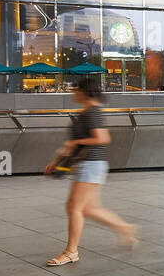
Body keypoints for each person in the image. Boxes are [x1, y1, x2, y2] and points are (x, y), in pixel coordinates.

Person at [43, 79, 137, 265]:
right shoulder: (87, 111)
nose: (73, 93)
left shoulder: (92, 112)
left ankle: (71, 251)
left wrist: (76, 143)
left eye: (76, 89)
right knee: (89, 208)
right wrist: (57, 160)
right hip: (89, 164)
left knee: (74, 207)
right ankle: (124, 227)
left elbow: (102, 138)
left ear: (84, 92)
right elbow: (78, 142)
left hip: (91, 165)